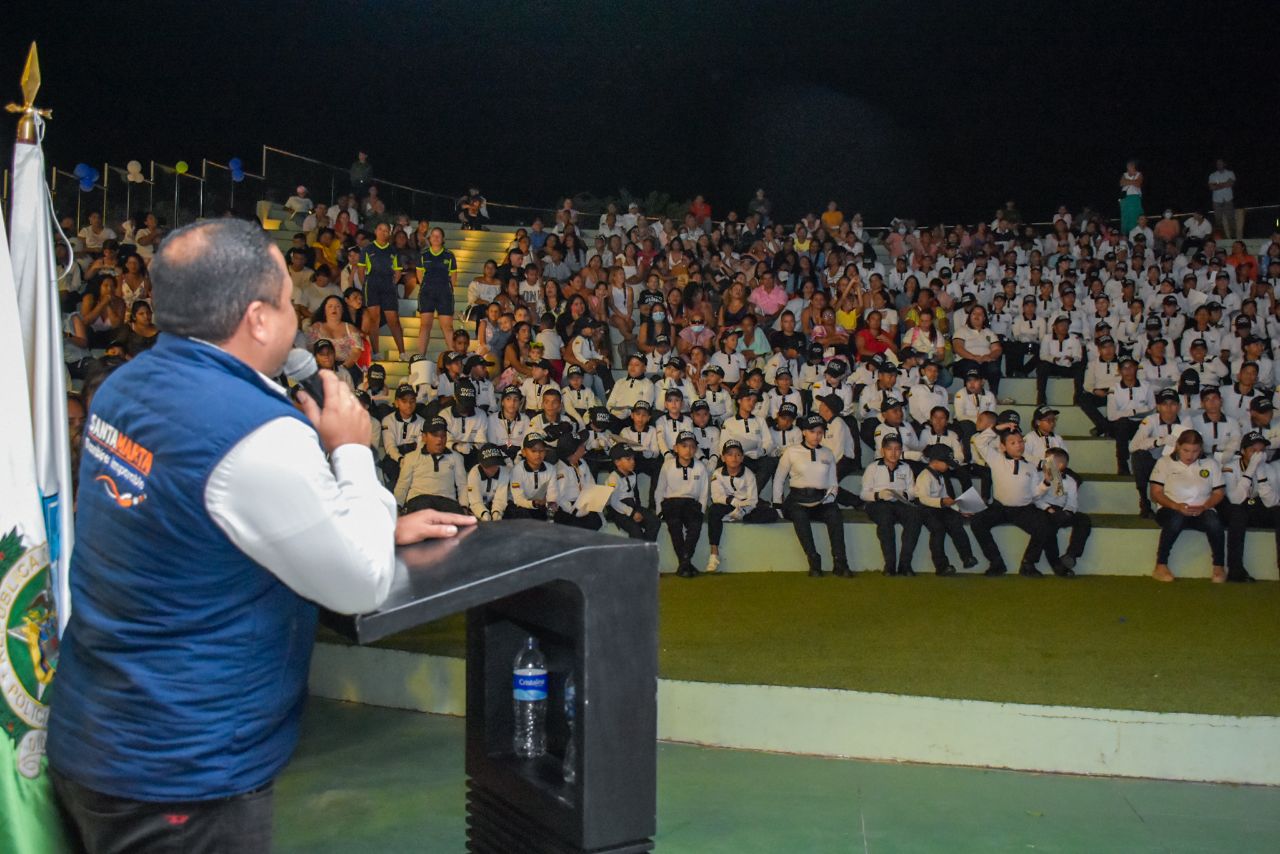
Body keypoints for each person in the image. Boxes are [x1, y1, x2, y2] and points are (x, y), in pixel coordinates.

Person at [47, 219, 474, 853]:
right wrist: (350, 452)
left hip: (95, 734)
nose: (295, 319)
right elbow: (360, 582)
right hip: (184, 778)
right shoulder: (256, 434)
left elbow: (205, 522)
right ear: (258, 319)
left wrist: (373, 523)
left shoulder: (122, 387)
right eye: (286, 301)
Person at [971, 427, 1069, 577]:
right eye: (1013, 443)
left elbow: (1034, 495)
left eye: (1020, 441)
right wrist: (998, 428)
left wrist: (1046, 484)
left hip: (1024, 510)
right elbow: (979, 441)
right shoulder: (996, 459)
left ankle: (1028, 563)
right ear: (1003, 447)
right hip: (1000, 508)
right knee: (977, 522)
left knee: (1044, 526)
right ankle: (996, 562)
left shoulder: (1030, 466)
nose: (1019, 445)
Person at [773, 413, 852, 577]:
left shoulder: (828, 453)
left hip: (821, 500)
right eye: (812, 432)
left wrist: (829, 498)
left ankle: (840, 562)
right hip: (797, 500)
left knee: (835, 514)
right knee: (799, 516)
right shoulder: (791, 451)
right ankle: (814, 561)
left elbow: (833, 482)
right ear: (804, 432)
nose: (817, 436)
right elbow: (779, 478)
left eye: (820, 432)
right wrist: (777, 503)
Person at [1149, 429, 1226, 582]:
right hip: (1170, 509)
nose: (1190, 455)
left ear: (1201, 449)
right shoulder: (1164, 462)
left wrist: (1204, 507)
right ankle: (1160, 565)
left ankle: (1219, 566)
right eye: (1186, 450)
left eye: (1195, 451)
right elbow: (1156, 493)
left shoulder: (1210, 464)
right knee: (1175, 519)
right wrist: (1176, 506)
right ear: (1178, 446)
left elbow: (1219, 493)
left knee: (1214, 521)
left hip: (1201, 510)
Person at [705, 439, 779, 574]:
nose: (734, 458)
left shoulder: (748, 474)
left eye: (738, 454)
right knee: (713, 511)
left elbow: (753, 500)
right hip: (727, 505)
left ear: (742, 457)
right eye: (730, 454)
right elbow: (716, 497)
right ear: (723, 457)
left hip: (746, 508)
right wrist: (733, 502)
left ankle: (735, 517)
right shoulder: (717, 473)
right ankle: (714, 554)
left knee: (771, 514)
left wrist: (742, 511)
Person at [860, 433, 925, 576]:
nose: (894, 452)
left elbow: (913, 490)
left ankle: (905, 564)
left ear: (901, 451)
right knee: (885, 519)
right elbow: (864, 494)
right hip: (878, 504)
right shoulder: (873, 467)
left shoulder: (906, 467)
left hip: (900, 503)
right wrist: (879, 495)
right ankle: (890, 565)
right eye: (890, 449)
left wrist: (904, 495)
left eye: (897, 449)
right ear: (883, 450)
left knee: (915, 516)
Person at [914, 443, 977, 575]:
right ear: (935, 461)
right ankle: (941, 566)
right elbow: (923, 498)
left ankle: (967, 557)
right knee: (938, 530)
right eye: (946, 463)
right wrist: (942, 501)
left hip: (940, 507)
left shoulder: (940, 475)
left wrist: (959, 509)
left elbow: (946, 496)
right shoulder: (924, 476)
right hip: (926, 509)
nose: (948, 466)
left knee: (956, 523)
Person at [1130, 388, 1193, 517]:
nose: (1169, 408)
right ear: (1158, 407)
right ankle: (1144, 501)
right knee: (1138, 456)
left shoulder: (1186, 420)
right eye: (1164, 404)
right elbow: (1133, 446)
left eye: (1173, 404)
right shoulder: (1151, 420)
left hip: (1176, 463)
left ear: (1179, 406)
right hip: (1154, 463)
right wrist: (1159, 441)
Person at [655, 431, 711, 577]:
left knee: (695, 527)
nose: (688, 450)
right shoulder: (667, 465)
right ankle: (686, 563)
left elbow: (704, 492)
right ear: (675, 448)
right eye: (684, 446)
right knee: (675, 527)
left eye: (692, 447)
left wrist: (702, 510)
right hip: (671, 502)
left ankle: (684, 563)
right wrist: (659, 509)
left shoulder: (700, 467)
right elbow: (660, 489)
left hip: (691, 503)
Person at [394, 415, 469, 514]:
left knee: (453, 516)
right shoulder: (411, 457)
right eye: (435, 435)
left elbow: (462, 485)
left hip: (446, 501)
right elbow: (402, 486)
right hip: (420, 500)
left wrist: (464, 507)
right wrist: (396, 507)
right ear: (424, 437)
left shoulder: (456, 458)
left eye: (443, 435)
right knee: (425, 509)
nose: (439, 440)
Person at [1034, 448, 1092, 574]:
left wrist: (1067, 512)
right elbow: (1034, 498)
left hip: (1060, 510)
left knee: (1083, 519)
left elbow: (1072, 502)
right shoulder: (1038, 476)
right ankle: (1056, 564)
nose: (1044, 463)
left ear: (1060, 465)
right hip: (1042, 508)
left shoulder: (1070, 481)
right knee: (1047, 526)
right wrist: (1047, 508)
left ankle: (1071, 555)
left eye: (1048, 461)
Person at [357, 222, 407, 358]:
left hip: (388, 287)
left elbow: (397, 271)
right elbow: (361, 270)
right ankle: (376, 352)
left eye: (386, 230)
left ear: (389, 233)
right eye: (380, 229)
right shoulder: (367, 249)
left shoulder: (392, 250)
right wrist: (366, 284)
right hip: (372, 285)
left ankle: (402, 352)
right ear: (375, 230)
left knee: (394, 320)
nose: (383, 232)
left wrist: (391, 284)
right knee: (374, 319)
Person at [603, 445, 661, 540]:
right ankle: (638, 552)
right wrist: (631, 513)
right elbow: (613, 502)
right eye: (628, 459)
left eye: (633, 458)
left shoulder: (633, 474)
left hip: (632, 506)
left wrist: (635, 510)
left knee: (654, 522)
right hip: (618, 511)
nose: (633, 462)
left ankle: (646, 549)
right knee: (635, 530)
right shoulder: (613, 479)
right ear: (617, 462)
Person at [416, 227, 458, 356]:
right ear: (429, 238)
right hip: (427, 294)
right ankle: (420, 356)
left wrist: (446, 289)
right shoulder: (424, 255)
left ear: (443, 239)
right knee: (425, 326)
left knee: (448, 327)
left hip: (444, 294)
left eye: (438, 235)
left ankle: (453, 356)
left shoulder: (449, 255)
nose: (435, 238)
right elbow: (419, 274)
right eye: (433, 235)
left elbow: (453, 276)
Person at [554, 431, 603, 530]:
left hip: (584, 501)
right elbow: (559, 497)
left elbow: (590, 482)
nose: (584, 447)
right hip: (568, 507)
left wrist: (593, 500)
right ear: (573, 451)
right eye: (581, 445)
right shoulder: (561, 470)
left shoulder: (582, 462)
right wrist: (574, 511)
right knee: (578, 527)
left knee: (597, 523)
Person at [507, 432, 558, 519]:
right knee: (522, 515)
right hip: (519, 506)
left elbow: (552, 494)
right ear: (523, 452)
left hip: (539, 505)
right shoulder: (517, 470)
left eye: (541, 450)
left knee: (556, 515)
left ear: (545, 452)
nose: (538, 454)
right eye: (533, 451)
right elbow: (518, 499)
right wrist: (534, 503)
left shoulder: (551, 469)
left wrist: (551, 507)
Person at [467, 444, 511, 521]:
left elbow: (500, 499)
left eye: (495, 464)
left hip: (493, 503)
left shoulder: (504, 472)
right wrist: (484, 514)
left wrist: (497, 513)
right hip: (475, 505)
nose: (492, 469)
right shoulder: (474, 473)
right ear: (480, 463)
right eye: (488, 465)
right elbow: (475, 501)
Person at [1208, 158, 1237, 239]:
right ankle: (1222, 237)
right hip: (1216, 200)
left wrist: (1217, 185)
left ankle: (1233, 237)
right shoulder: (1212, 175)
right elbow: (1211, 187)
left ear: (1224, 164)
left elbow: (1231, 183)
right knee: (1218, 221)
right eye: (1217, 163)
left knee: (1231, 219)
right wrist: (1225, 183)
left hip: (1228, 199)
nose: (1219, 165)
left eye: (1220, 163)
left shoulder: (1230, 173)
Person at [1119, 159, 1144, 234]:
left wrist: (1127, 182)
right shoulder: (1124, 174)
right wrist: (1133, 182)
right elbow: (1121, 183)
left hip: (1135, 197)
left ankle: (1135, 232)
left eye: (1131, 165)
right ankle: (1124, 233)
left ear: (1134, 166)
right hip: (1125, 197)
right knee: (1125, 215)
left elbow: (1138, 183)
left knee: (1135, 215)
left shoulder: (1139, 174)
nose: (1129, 167)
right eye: (1128, 165)